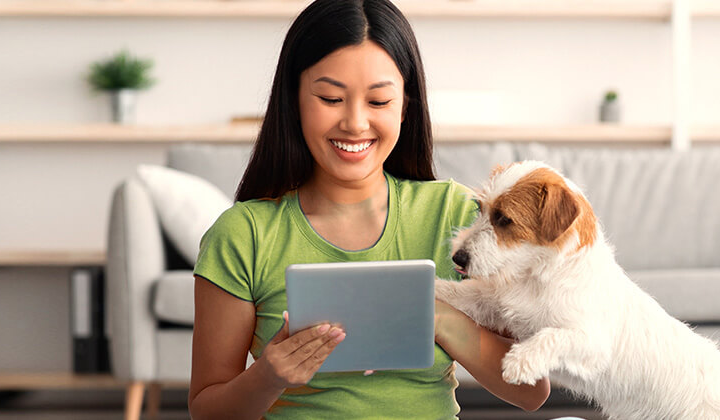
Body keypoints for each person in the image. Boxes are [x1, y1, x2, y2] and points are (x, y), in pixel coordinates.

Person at [186, 0, 551, 418]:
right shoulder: (243, 235)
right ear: (294, 100)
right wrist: (269, 376)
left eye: (378, 102)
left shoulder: (460, 218)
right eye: (330, 98)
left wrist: (442, 320)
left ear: (405, 106)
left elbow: (531, 391)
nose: (355, 123)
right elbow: (206, 411)